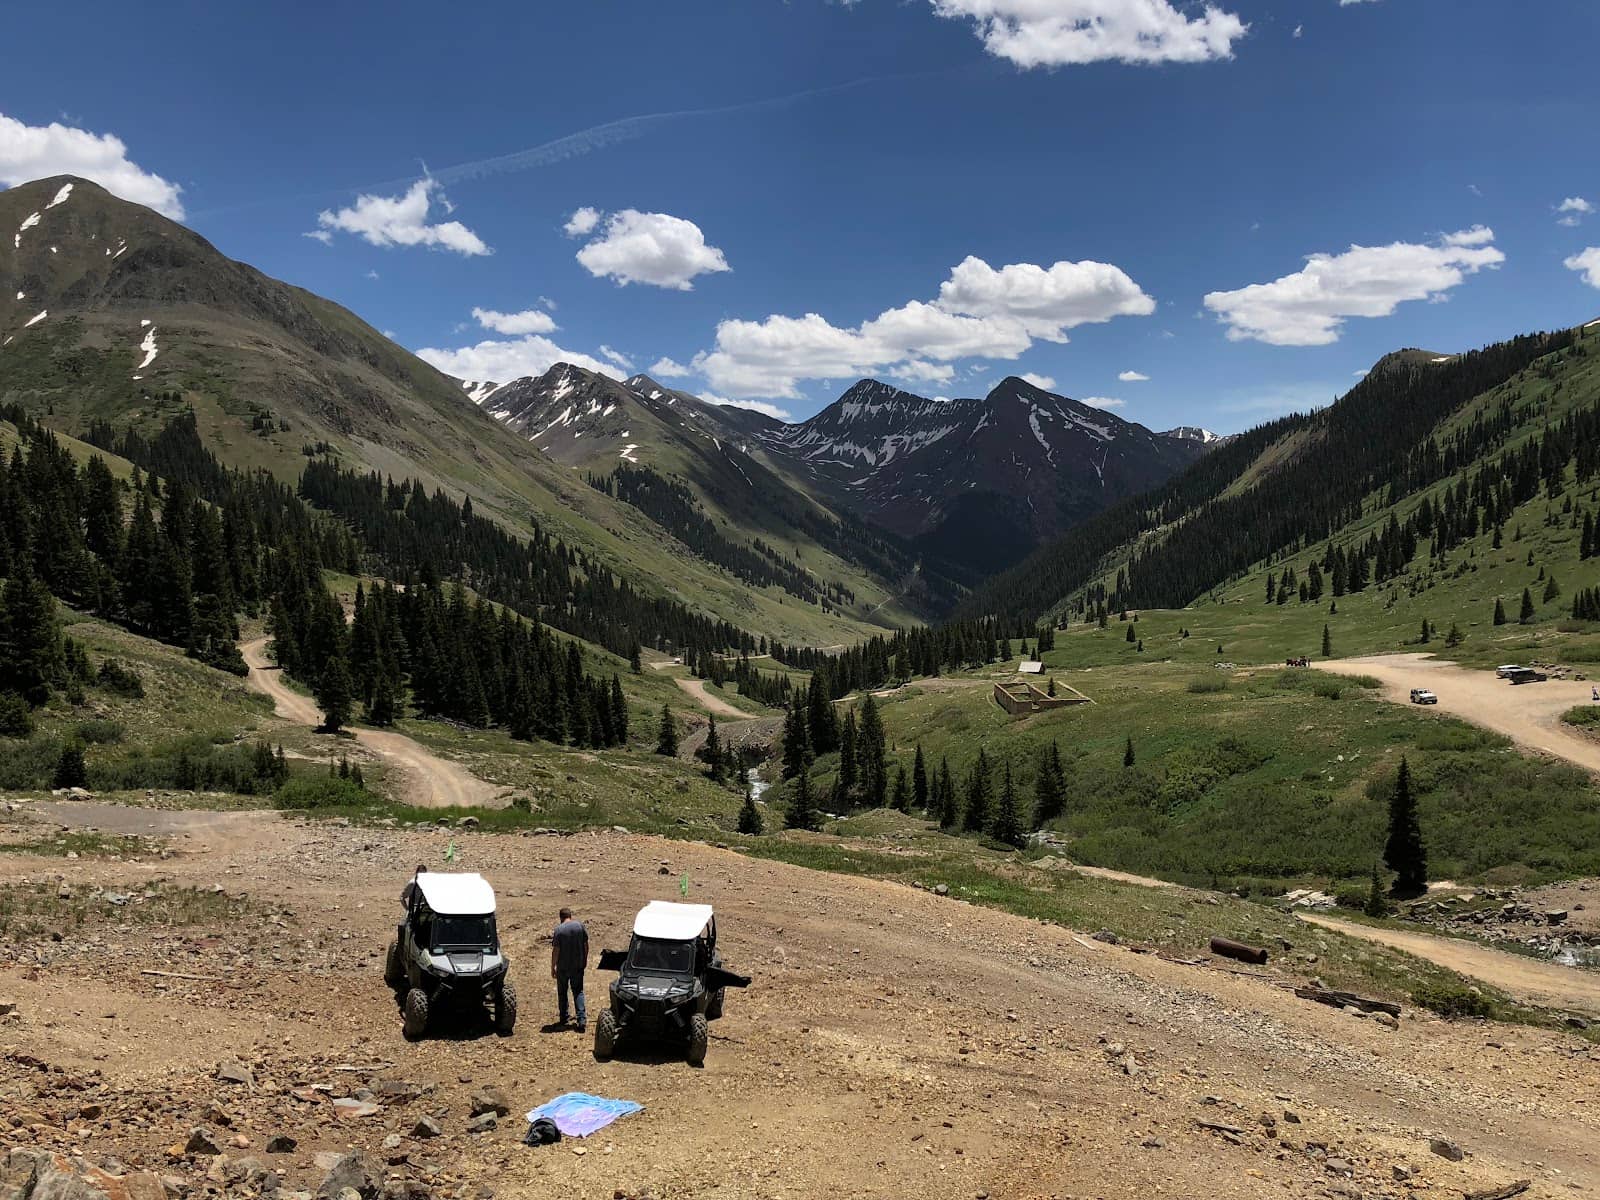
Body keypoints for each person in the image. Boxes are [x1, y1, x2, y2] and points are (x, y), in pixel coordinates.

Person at [551, 906, 589, 1032]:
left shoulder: (559, 930)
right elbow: (586, 944)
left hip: (563, 967)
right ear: (570, 916)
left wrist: (553, 967)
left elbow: (556, 950)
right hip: (578, 965)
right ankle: (581, 1019)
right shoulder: (579, 926)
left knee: (562, 993)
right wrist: (585, 959)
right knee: (578, 991)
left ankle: (564, 1018)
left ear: (561, 918)